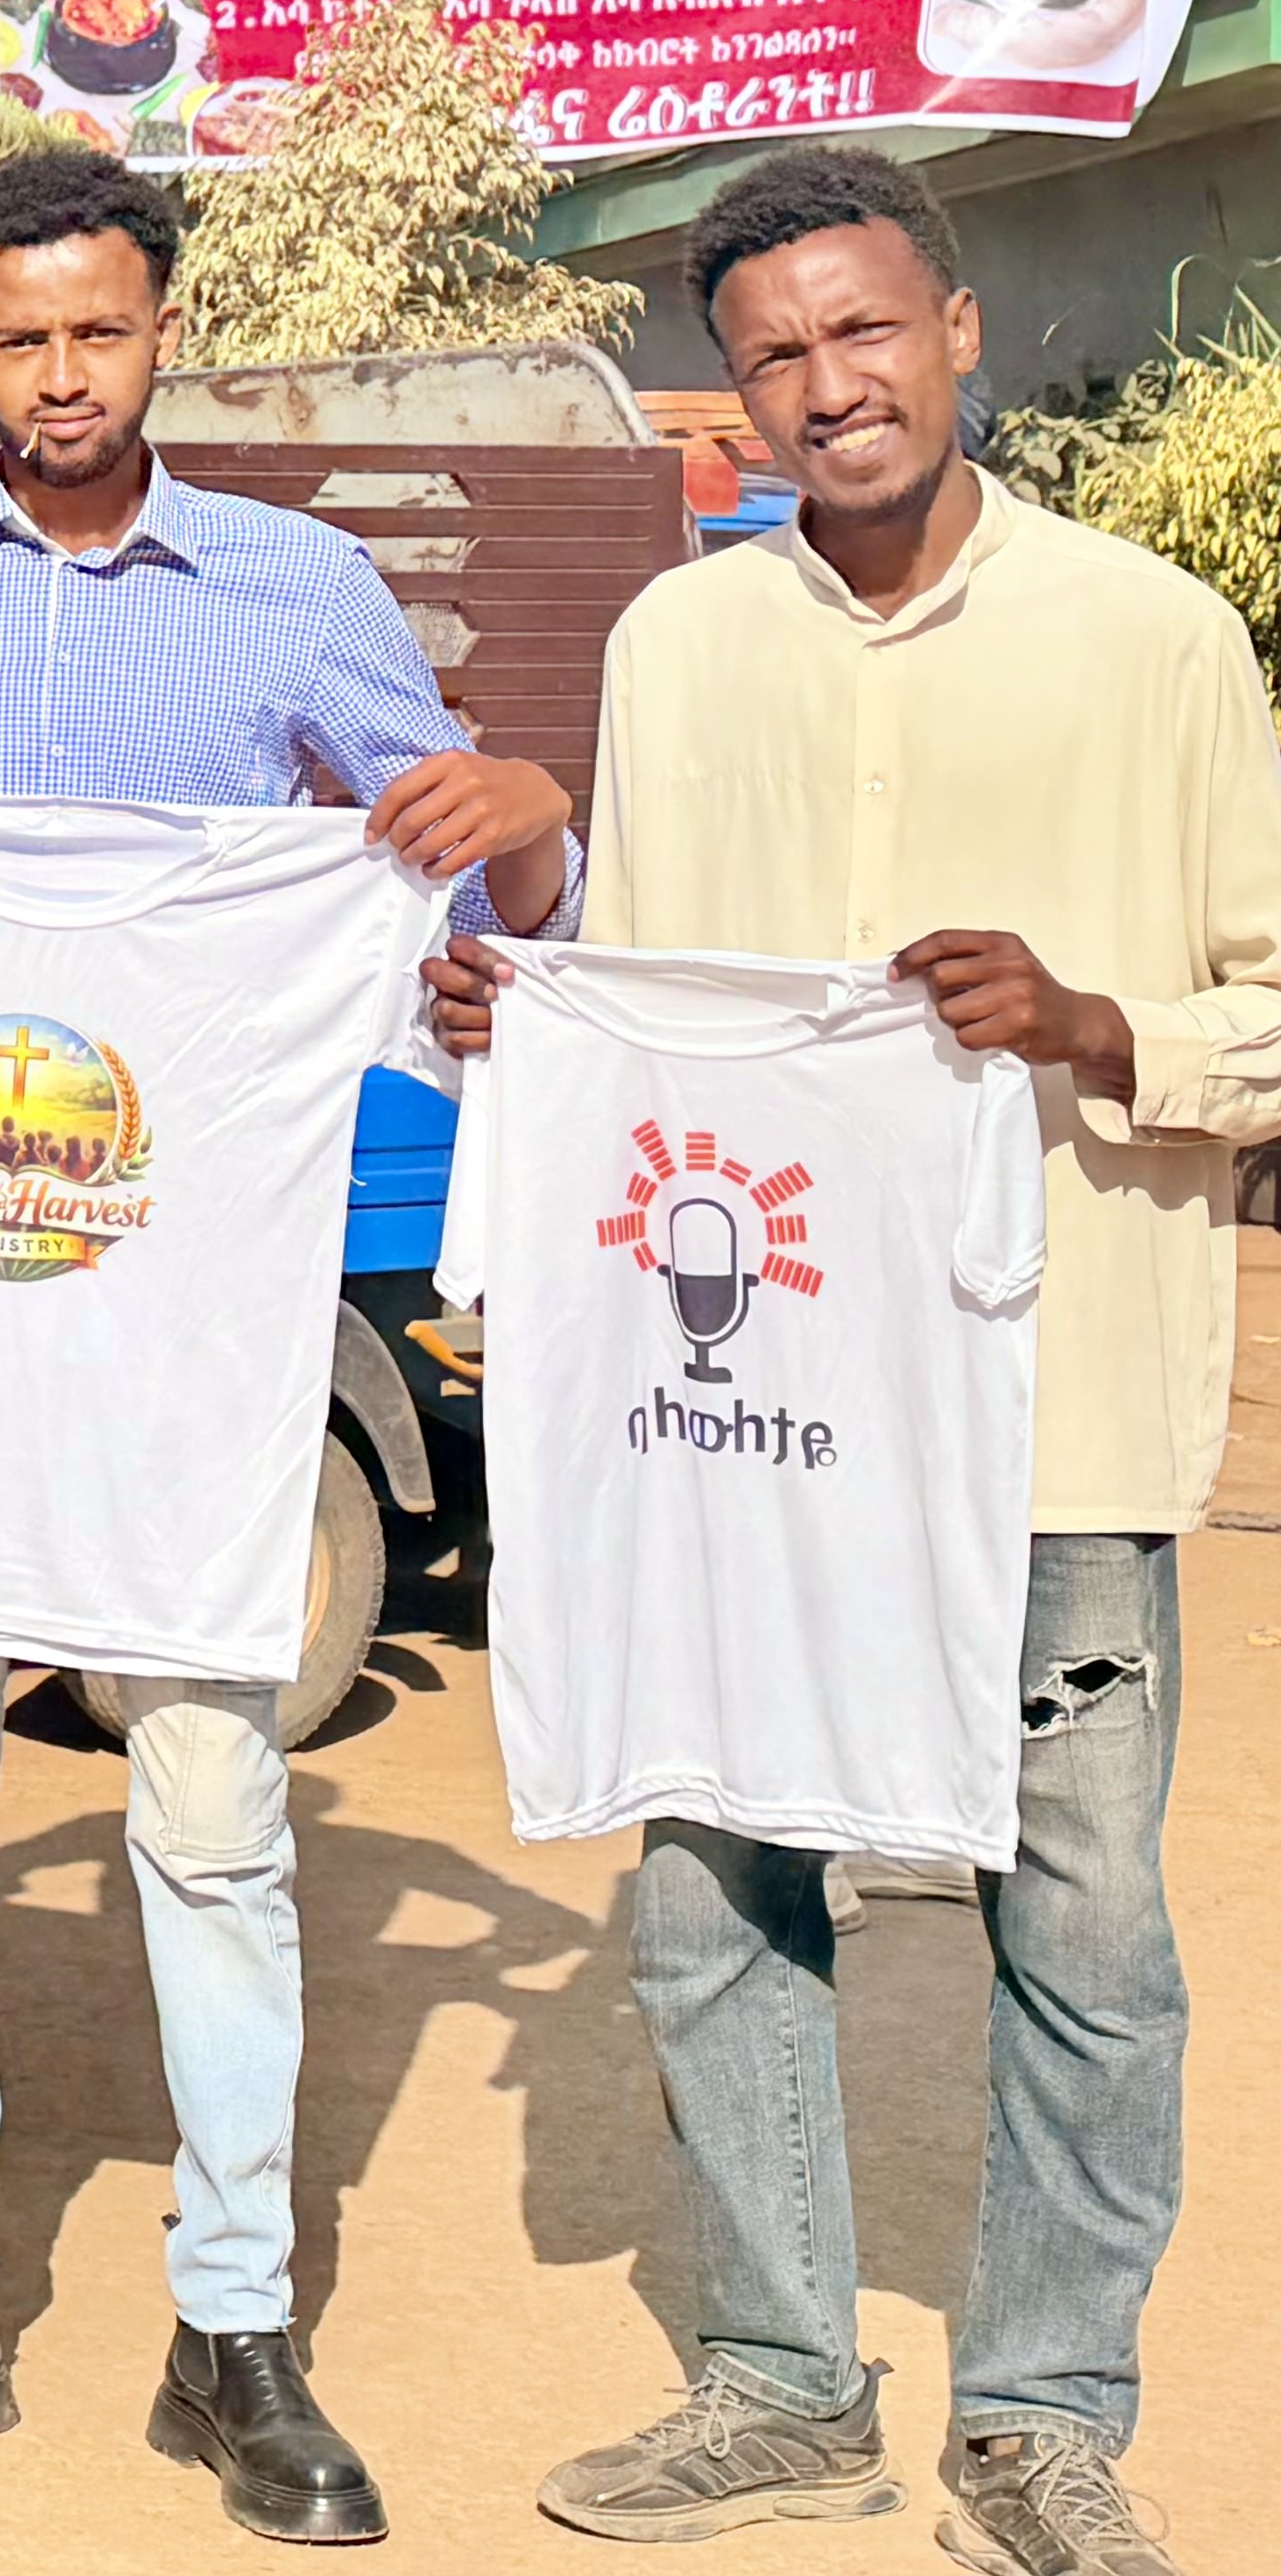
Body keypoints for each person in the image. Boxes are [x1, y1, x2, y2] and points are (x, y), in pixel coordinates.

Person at [0, 144, 575, 2547]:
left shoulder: (298, 588)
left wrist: (523, 837)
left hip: (191, 1339)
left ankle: (235, 2324)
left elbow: (442, 874)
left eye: (100, 329)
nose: (61, 373)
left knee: (213, 1824)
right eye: (17, 336)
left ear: (159, 328)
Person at [447, 152, 1280, 2576]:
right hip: (755, 1422)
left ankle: (1039, 2414)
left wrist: (1101, 1020)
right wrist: (534, 1002)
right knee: (720, 1882)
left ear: (961, 330)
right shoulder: (676, 653)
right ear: (748, 388)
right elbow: (657, 1006)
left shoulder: (1160, 641)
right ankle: (783, 2381)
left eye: (870, 330)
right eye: (784, 353)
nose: (837, 383)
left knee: (1088, 1928)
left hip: (1061, 1403)